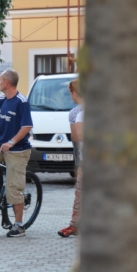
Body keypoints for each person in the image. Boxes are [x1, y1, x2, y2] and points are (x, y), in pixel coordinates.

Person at [0, 69, 33, 238]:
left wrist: (12, 142)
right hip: (1, 148)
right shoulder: (1, 100)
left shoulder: (21, 102)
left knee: (14, 187)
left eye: (0, 80)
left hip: (17, 151)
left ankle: (19, 225)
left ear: (6, 82)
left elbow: (27, 126)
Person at [58, 79, 83, 238]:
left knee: (80, 195)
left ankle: (75, 225)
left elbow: (76, 138)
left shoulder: (76, 113)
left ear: (75, 93)